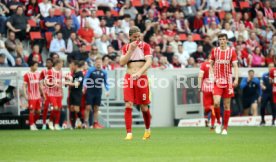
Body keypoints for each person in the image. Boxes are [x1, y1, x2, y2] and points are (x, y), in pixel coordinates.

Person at [119, 26, 152, 140]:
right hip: (129, 77)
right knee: (128, 104)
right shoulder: (126, 47)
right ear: (130, 37)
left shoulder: (145, 46)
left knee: (144, 107)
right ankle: (129, 133)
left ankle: (147, 130)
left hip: (142, 78)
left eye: (139, 36)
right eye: (135, 37)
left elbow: (149, 62)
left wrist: (139, 72)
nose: (137, 39)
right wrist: (130, 51)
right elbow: (122, 62)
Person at [209, 33, 239, 135]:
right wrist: (211, 75)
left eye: (223, 39)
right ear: (219, 41)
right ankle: (218, 122)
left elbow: (235, 66)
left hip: (228, 81)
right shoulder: (215, 51)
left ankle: (225, 128)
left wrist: (236, 78)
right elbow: (211, 65)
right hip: (217, 81)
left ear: (227, 41)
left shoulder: (231, 52)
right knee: (216, 102)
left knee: (227, 105)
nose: (222, 41)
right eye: (220, 39)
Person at [83, 56, 109, 129]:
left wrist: (107, 90)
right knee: (88, 107)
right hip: (90, 90)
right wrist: (84, 87)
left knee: (96, 108)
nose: (98, 64)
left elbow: (106, 82)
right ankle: (85, 123)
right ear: (95, 63)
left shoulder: (104, 72)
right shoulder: (91, 70)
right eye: (97, 62)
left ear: (101, 63)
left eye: (100, 62)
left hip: (98, 91)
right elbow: (85, 79)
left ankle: (95, 123)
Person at [198, 56, 218, 131]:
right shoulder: (216, 65)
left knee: (206, 107)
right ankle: (212, 123)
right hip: (215, 89)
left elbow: (200, 76)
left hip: (206, 88)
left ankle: (207, 118)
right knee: (214, 106)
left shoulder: (203, 65)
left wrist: (199, 87)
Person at [23, 61, 43, 130]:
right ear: (31, 66)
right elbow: (24, 86)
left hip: (38, 96)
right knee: (32, 111)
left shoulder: (38, 74)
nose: (37, 67)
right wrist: (25, 95)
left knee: (39, 112)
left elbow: (40, 85)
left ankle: (32, 122)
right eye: (35, 65)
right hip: (31, 96)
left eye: (37, 65)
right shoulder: (27, 75)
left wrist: (43, 94)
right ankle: (31, 125)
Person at [44, 59, 63, 130]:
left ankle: (56, 124)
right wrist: (54, 84)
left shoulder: (61, 72)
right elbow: (46, 82)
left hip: (59, 94)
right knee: (55, 107)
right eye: (61, 64)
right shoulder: (50, 71)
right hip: (51, 93)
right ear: (57, 64)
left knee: (59, 109)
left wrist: (61, 91)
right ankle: (51, 121)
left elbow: (60, 83)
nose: (62, 65)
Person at [65, 60, 84, 129]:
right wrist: (67, 80)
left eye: (72, 65)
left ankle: (83, 122)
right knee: (72, 108)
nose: (71, 67)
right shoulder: (74, 74)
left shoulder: (80, 74)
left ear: (76, 66)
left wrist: (68, 83)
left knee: (76, 109)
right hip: (72, 93)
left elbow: (77, 84)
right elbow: (73, 84)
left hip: (77, 93)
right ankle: (72, 126)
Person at [39, 58, 53, 130]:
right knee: (46, 108)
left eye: (49, 62)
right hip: (46, 93)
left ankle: (51, 122)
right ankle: (44, 123)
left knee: (55, 108)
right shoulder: (43, 72)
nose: (48, 64)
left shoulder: (55, 71)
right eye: (47, 62)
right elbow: (40, 83)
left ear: (52, 64)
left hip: (54, 93)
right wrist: (42, 92)